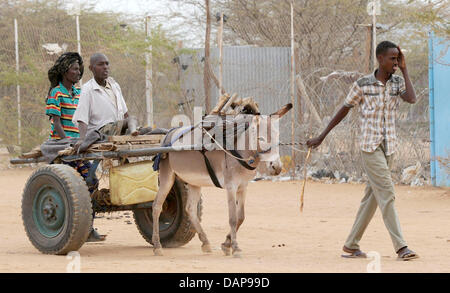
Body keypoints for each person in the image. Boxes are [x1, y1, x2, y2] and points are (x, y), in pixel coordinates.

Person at [306, 41, 419, 261]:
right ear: (380, 59)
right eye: (392, 59)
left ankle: (351, 245)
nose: (395, 62)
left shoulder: (397, 83)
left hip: (390, 147)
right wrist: (322, 135)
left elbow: (412, 98)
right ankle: (401, 247)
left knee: (372, 197)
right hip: (370, 147)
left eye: (398, 59)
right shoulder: (363, 84)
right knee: (386, 193)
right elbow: (344, 110)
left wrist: (405, 70)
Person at [46, 52, 103, 242]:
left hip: (79, 145)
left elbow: (84, 119)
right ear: (65, 71)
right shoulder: (56, 93)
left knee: (91, 181)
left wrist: (83, 140)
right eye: (75, 69)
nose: (78, 73)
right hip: (63, 146)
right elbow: (56, 122)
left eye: (79, 69)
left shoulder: (80, 93)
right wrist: (69, 144)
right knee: (79, 183)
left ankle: (88, 227)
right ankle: (79, 228)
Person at [72, 52, 136, 143]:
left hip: (118, 130)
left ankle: (134, 132)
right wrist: (82, 139)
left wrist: (129, 125)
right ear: (91, 68)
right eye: (100, 64)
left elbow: (125, 113)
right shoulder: (88, 89)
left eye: (107, 63)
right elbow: (82, 118)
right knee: (131, 120)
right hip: (101, 133)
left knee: (148, 130)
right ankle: (133, 132)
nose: (105, 67)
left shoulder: (115, 86)